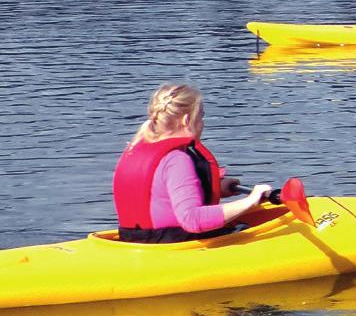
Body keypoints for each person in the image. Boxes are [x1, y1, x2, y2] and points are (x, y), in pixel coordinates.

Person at [112, 84, 271, 243]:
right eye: (201, 116)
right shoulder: (176, 159)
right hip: (171, 245)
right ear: (186, 120)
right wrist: (250, 201)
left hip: (134, 242)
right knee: (249, 231)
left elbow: (158, 196)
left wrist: (215, 188)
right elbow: (192, 219)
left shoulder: (135, 149)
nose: (202, 123)